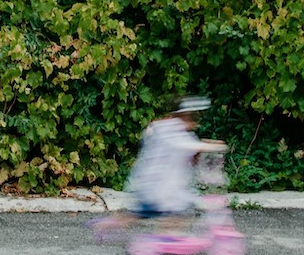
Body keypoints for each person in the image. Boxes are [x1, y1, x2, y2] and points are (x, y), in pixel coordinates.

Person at [89, 96, 228, 239]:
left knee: (140, 214)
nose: (193, 124)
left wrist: (203, 147)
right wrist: (210, 146)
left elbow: (189, 152)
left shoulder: (176, 131)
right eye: (190, 119)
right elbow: (185, 145)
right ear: (181, 117)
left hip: (160, 186)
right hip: (156, 186)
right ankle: (165, 237)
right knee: (174, 212)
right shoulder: (169, 130)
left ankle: (104, 225)